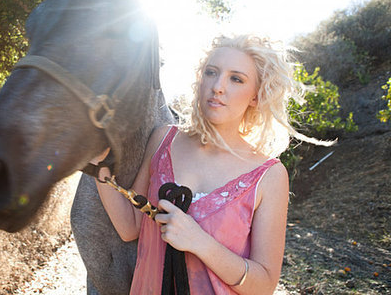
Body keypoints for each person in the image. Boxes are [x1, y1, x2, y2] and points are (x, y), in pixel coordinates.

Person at [89, 34, 329, 295]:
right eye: (211, 73)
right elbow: (130, 226)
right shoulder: (163, 140)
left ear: (255, 97)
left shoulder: (269, 175)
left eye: (236, 79)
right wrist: (98, 164)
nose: (218, 86)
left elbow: (264, 285)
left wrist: (199, 242)